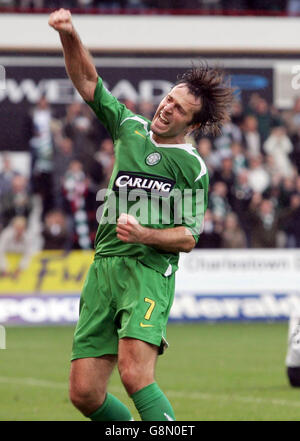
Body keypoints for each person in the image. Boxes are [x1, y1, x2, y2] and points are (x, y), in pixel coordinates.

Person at [49, 8, 233, 421]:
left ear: (193, 123)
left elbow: (188, 236)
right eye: (169, 98)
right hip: (105, 269)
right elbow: (87, 80)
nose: (167, 108)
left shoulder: (191, 168)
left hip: (148, 273)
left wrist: (146, 233)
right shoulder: (128, 128)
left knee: (135, 375)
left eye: (179, 109)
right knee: (85, 394)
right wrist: (69, 33)